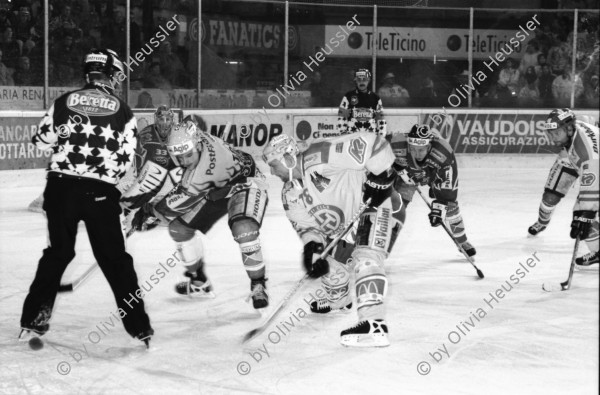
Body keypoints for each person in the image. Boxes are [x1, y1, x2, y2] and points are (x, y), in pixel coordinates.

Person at [20, 48, 153, 347]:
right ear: (110, 74)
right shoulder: (123, 110)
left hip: (60, 188)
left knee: (58, 253)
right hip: (100, 192)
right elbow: (128, 158)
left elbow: (42, 142)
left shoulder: (63, 101)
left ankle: (34, 319)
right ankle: (139, 327)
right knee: (115, 260)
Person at [263, 133, 404, 347]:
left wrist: (382, 175)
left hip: (378, 204)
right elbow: (307, 227)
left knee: (366, 258)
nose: (272, 172)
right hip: (348, 228)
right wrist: (314, 249)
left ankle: (374, 325)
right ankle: (340, 299)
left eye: (274, 165)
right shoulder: (289, 193)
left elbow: (373, 143)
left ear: (287, 159)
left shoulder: (319, 155)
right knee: (326, 260)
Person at [137, 120, 270, 307]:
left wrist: (149, 211)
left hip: (246, 183)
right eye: (179, 157)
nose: (184, 162)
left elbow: (174, 204)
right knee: (179, 229)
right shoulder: (195, 137)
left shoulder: (201, 175)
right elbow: (187, 126)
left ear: (197, 145)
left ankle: (258, 285)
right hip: (217, 187)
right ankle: (198, 282)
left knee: (244, 228)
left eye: (187, 155)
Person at [390, 124, 476, 257]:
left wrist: (440, 206)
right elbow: (377, 159)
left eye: (421, 150)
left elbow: (448, 190)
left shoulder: (443, 152)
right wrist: (390, 166)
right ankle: (383, 241)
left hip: (434, 175)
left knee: (451, 208)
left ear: (429, 147)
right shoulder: (397, 143)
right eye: (413, 149)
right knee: (396, 207)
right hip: (408, 176)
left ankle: (462, 241)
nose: (417, 154)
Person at [529, 109, 599, 266]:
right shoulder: (576, 125)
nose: (552, 138)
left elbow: (591, 191)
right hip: (570, 162)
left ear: (568, 129)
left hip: (591, 166)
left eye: (556, 133)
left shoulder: (588, 153)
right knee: (550, 197)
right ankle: (542, 222)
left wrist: (584, 215)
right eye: (550, 133)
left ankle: (597, 250)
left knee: (582, 213)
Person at [337, 69, 388, 138]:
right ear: (356, 81)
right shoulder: (348, 96)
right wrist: (342, 135)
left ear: (369, 80)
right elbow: (341, 117)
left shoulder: (375, 98)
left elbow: (381, 120)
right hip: (352, 137)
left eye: (364, 79)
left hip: (371, 138)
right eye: (359, 80)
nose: (362, 82)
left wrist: (381, 137)